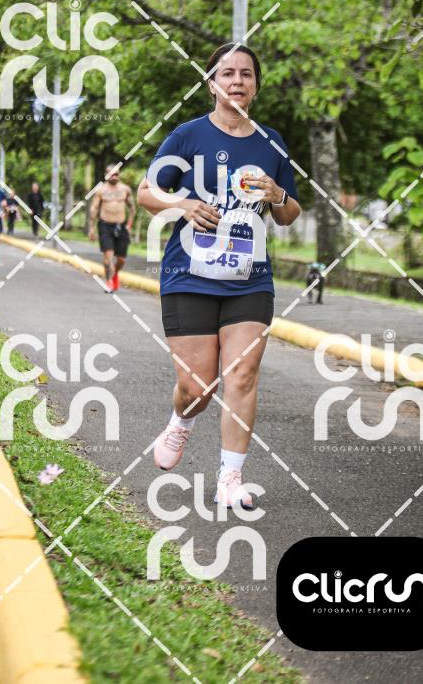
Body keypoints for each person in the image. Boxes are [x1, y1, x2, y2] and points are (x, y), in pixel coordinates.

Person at [137, 44, 301, 509]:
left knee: (242, 375)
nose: (237, 81)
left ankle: (230, 479)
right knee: (198, 387)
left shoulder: (271, 142)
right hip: (189, 275)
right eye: (227, 74)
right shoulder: (187, 136)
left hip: (250, 279)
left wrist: (277, 194)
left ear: (256, 85)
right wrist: (184, 204)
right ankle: (181, 422)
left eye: (246, 74)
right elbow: (146, 193)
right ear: (211, 84)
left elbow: (290, 213)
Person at [89, 166, 136, 292]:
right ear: (106, 175)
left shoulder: (125, 189)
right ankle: (109, 281)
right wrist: (91, 228)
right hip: (105, 225)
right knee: (108, 255)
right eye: (111, 174)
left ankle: (114, 273)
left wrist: (129, 224)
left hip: (121, 226)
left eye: (116, 174)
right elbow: (94, 209)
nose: (114, 176)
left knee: (121, 259)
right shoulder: (101, 190)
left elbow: (132, 208)